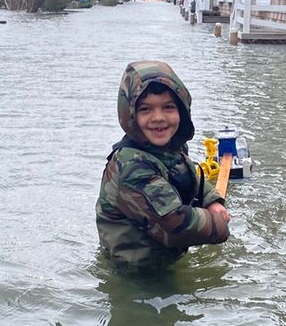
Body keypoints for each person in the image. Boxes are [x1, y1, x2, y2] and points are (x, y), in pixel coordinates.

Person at [96, 60, 231, 268]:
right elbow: (175, 223)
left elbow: (191, 176)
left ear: (182, 111)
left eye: (168, 107)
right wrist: (219, 225)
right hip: (137, 274)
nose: (158, 118)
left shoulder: (170, 147)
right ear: (130, 115)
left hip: (165, 260)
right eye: (145, 109)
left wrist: (212, 200)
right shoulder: (132, 166)